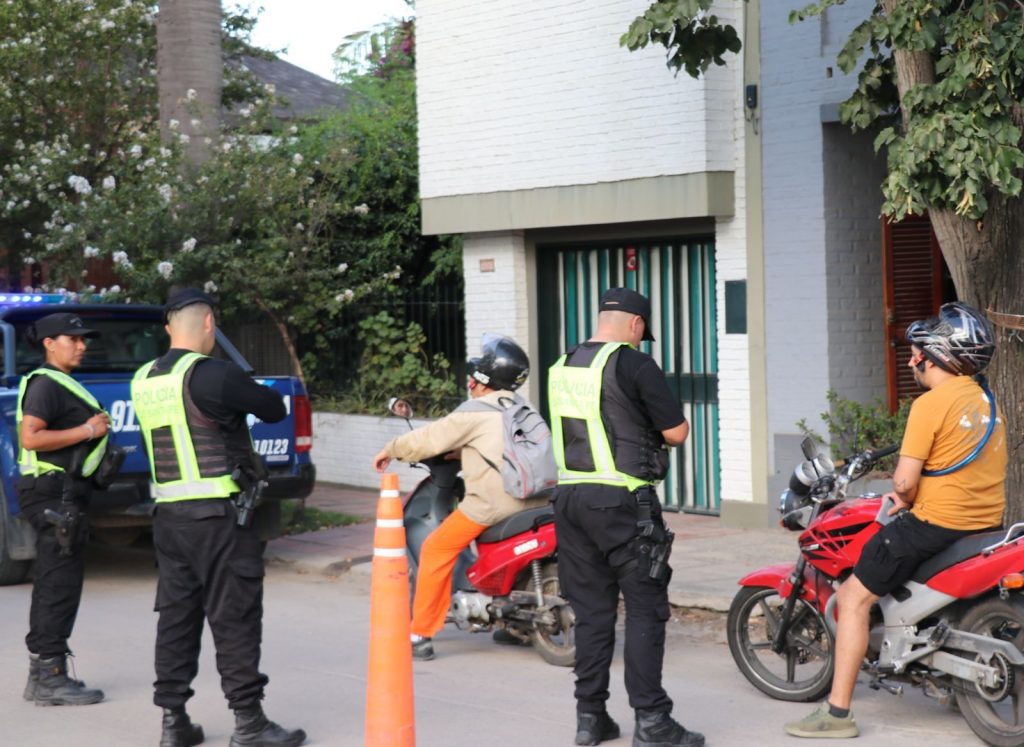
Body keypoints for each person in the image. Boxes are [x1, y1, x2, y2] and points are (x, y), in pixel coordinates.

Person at [785, 302, 1007, 739]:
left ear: (936, 357)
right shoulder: (986, 400)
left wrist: (903, 496)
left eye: (917, 353)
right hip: (984, 525)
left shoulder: (930, 404)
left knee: (852, 599)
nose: (911, 361)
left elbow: (904, 483)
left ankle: (837, 714)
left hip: (934, 525)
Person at [130, 289, 306, 747]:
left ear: (168, 328)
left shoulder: (144, 379)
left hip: (169, 518)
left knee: (176, 619)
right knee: (235, 617)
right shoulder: (215, 374)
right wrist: (249, 387)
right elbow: (274, 410)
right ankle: (249, 723)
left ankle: (174, 722)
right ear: (209, 324)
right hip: (219, 518)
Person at [547, 287, 703, 747]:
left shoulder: (563, 365)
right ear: (636, 324)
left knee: (592, 613)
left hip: (570, 500)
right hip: (622, 503)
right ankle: (652, 720)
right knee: (644, 609)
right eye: (641, 332)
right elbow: (676, 433)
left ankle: (590, 718)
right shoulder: (634, 363)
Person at [372, 333, 548, 660]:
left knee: (436, 549)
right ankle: (513, 623)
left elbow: (427, 439)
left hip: (494, 505)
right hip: (539, 499)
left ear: (480, 380)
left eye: (474, 376)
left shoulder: (474, 412)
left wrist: (391, 449)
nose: (470, 381)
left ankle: (420, 633)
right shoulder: (521, 407)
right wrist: (462, 453)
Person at [17, 312, 110, 706]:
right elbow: (31, 437)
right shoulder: (45, 385)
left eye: (83, 339)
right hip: (53, 495)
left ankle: (44, 673)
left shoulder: (61, 383)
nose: (81, 345)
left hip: (63, 494)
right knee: (58, 585)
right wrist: (88, 430)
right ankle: (49, 677)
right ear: (49, 344)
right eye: (73, 339)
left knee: (57, 582)